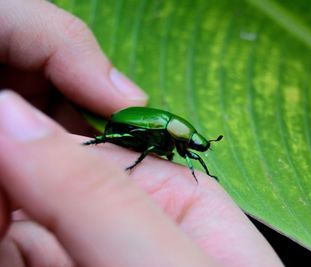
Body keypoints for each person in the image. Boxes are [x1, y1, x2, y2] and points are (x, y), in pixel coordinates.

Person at [0, 1, 283, 266]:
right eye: (192, 145)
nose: (192, 150)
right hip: (124, 123)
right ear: (181, 135)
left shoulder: (175, 137)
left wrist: (202, 166)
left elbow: (186, 153)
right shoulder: (163, 131)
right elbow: (156, 147)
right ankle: (98, 141)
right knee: (123, 140)